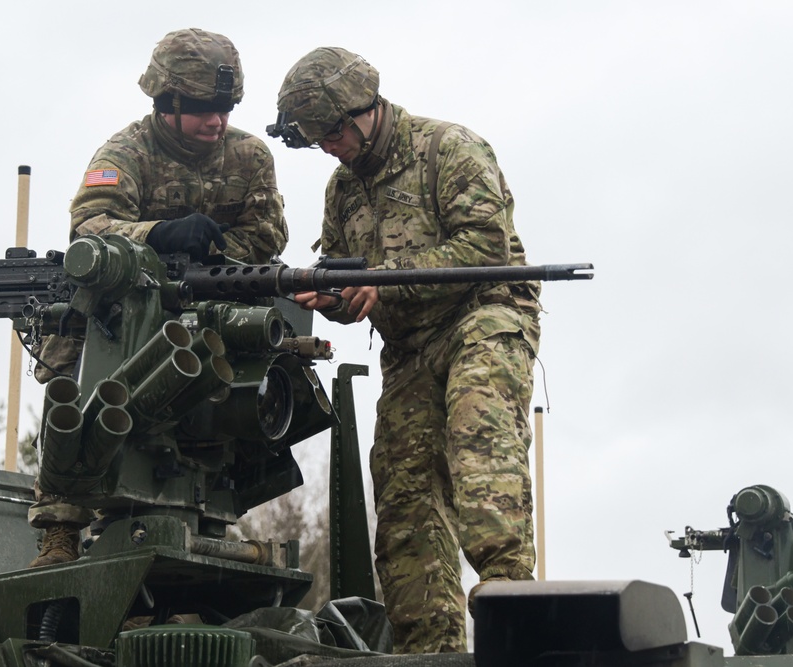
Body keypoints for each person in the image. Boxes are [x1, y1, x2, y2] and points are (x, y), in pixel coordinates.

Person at [268, 47, 540, 653]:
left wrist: (386, 274)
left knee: (479, 458)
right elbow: (353, 287)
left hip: (485, 315)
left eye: (334, 132)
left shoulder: (448, 148)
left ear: (364, 110)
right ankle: (427, 652)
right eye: (318, 140)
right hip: (410, 346)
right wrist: (332, 298)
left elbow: (484, 247)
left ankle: (519, 634)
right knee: (402, 495)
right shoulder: (342, 192)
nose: (330, 147)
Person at [28, 28, 288, 568]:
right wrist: (157, 236)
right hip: (118, 313)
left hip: (206, 307)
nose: (217, 120)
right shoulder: (125, 152)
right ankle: (60, 527)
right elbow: (90, 226)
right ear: (167, 103)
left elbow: (265, 236)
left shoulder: (249, 157)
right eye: (202, 109)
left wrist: (210, 260)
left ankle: (212, 515)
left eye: (225, 107)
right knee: (76, 392)